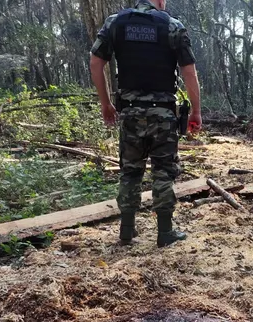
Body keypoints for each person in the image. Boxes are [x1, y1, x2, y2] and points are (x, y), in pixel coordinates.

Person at [89, 0, 202, 247]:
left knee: (130, 171)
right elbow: (189, 71)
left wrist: (105, 103)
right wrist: (195, 111)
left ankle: (127, 230)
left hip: (129, 113)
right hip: (163, 115)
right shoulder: (173, 26)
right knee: (163, 170)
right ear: (160, 0)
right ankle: (165, 232)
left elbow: (96, 62)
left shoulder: (115, 23)